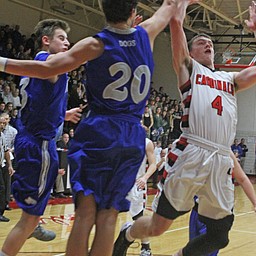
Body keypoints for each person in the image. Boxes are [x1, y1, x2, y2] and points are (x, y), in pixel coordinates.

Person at [0, 0, 190, 255]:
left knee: (85, 216)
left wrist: (2, 63)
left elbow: (46, 68)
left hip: (99, 131)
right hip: (131, 134)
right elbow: (170, 5)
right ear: (134, 14)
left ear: (103, 9)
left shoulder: (95, 43)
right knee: (108, 219)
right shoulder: (146, 34)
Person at [112, 1, 256, 256]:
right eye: (201, 42)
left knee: (220, 237)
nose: (208, 44)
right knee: (158, 226)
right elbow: (176, 23)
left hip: (220, 157)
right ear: (192, 52)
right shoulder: (188, 69)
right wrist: (182, 4)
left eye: (210, 43)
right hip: (192, 151)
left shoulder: (229, 79)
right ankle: (128, 233)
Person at [0, 19, 82, 256]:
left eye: (67, 39)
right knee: (28, 218)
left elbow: (38, 103)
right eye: (61, 38)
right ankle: (29, 225)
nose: (67, 43)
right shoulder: (48, 60)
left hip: (32, 138)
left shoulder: (44, 66)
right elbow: (79, 56)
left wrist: (63, 114)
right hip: (39, 145)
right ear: (46, 40)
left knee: (32, 208)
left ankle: (32, 222)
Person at [126, 137, 157, 256]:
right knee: (108, 214)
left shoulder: (146, 142)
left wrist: (144, 178)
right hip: (120, 181)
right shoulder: (120, 137)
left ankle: (146, 248)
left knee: (138, 217)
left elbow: (153, 164)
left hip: (136, 183)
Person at [0, 116, 14, 222]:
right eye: (0, 123)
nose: (2, 125)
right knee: (1, 188)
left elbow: (6, 152)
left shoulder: (2, 136)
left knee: (3, 188)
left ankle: (1, 211)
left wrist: (9, 165)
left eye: (3, 124)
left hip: (2, 165)